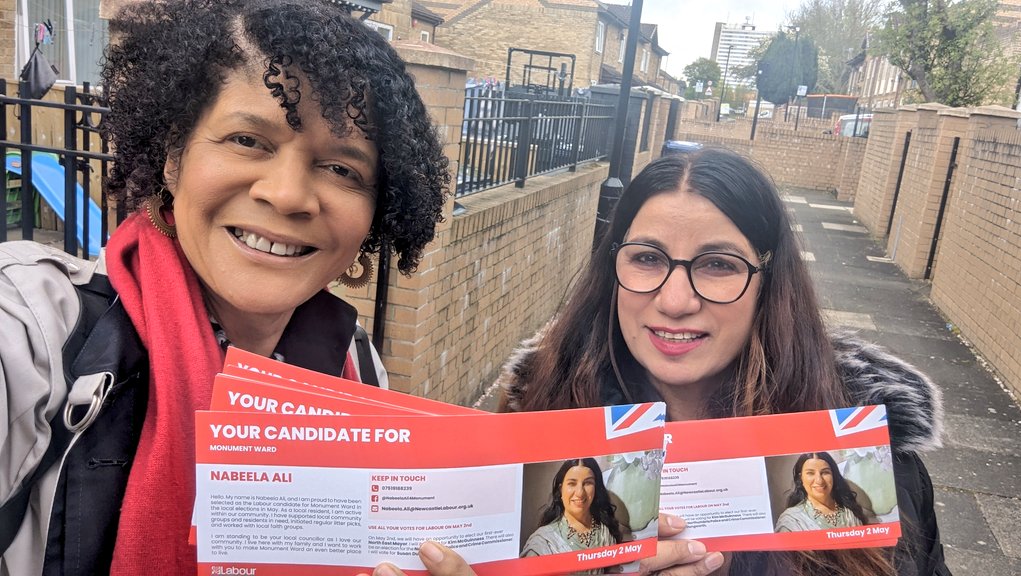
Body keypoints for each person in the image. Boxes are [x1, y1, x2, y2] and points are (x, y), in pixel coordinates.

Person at [1, 1, 449, 574]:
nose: (288, 195)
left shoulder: (355, 367)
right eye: (248, 140)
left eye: (342, 169)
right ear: (173, 157)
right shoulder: (35, 332)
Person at [488, 149, 951, 576]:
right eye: (647, 258)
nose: (674, 301)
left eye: (718, 265)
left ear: (769, 284)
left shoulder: (877, 450)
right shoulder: (529, 424)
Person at [520, 458, 623, 570]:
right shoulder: (543, 543)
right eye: (572, 484)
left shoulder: (604, 534)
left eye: (588, 483)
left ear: (596, 489)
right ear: (561, 490)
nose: (580, 493)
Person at [775, 452, 871, 532]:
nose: (819, 481)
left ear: (833, 476)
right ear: (801, 478)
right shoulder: (792, 521)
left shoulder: (850, 513)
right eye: (810, 473)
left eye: (825, 472)